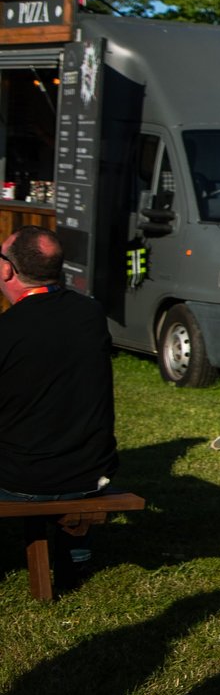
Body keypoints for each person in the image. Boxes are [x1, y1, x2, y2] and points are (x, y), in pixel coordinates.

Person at [0, 225, 118, 560]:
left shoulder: (9, 330)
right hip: (90, 473)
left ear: (8, 269)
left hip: (22, 479)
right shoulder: (91, 315)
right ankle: (75, 553)